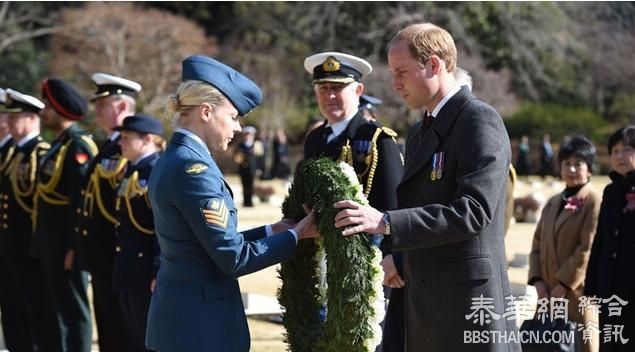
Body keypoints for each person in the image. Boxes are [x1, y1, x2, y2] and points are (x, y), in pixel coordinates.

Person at [333, 23, 520, 351]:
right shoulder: (421, 131)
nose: (395, 84)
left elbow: (474, 212)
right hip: (424, 303)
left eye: (402, 72)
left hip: (466, 305)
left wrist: (387, 223)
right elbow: (418, 204)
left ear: (434, 65)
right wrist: (397, 258)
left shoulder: (478, 120)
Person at [145, 54, 318, 352]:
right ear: (206, 112)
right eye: (234, 116)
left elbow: (208, 243)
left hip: (184, 321)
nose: (237, 128)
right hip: (200, 330)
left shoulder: (175, 157)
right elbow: (232, 258)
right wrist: (296, 235)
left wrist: (270, 231)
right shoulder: (192, 169)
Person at [302, 51, 404, 351]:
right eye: (323, 89)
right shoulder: (315, 139)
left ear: (358, 91)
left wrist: (391, 258)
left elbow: (394, 206)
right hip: (324, 260)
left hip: (368, 261)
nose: (330, 96)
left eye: (338, 88)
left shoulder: (377, 139)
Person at [75, 72, 141, 352]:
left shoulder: (130, 149)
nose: (97, 111)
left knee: (124, 333)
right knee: (109, 332)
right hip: (102, 256)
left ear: (122, 107)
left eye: (102, 105)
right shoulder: (107, 146)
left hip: (119, 255)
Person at [31, 78, 98, 352]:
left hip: (66, 246)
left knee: (74, 310)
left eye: (48, 105)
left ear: (60, 108)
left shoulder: (78, 146)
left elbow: (81, 203)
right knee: (56, 310)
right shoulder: (59, 145)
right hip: (50, 242)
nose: (43, 110)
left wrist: (74, 245)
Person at [0, 89, 61, 352]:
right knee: (13, 308)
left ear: (31, 119)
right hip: (9, 243)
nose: (9, 123)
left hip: (28, 245)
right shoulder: (13, 153)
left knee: (37, 308)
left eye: (16, 118)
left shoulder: (40, 152)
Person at [528, 135, 601, 352]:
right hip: (547, 294)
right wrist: (538, 280)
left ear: (589, 169)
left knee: (580, 345)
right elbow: (537, 244)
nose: (571, 169)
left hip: (575, 295)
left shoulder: (594, 201)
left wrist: (564, 284)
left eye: (578, 164)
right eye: (566, 163)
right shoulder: (552, 203)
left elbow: (587, 248)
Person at [112, 114, 164, 352]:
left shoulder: (156, 171)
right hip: (127, 264)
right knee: (132, 335)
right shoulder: (132, 170)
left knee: (146, 337)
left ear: (147, 140)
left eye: (126, 137)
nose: (120, 142)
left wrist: (157, 268)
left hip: (144, 268)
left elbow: (161, 227)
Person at [585, 126, 635, 352]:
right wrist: (592, 286)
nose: (620, 156)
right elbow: (601, 241)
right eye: (614, 151)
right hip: (610, 287)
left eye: (627, 150)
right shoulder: (611, 192)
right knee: (610, 342)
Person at [234, 125, 258, 207]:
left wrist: (260, 169)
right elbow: (236, 157)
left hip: (252, 169)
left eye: (249, 135)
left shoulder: (256, 145)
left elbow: (260, 158)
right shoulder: (240, 146)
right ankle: (245, 202)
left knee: (251, 186)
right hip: (243, 169)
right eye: (246, 134)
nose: (248, 136)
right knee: (244, 185)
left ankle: (250, 201)